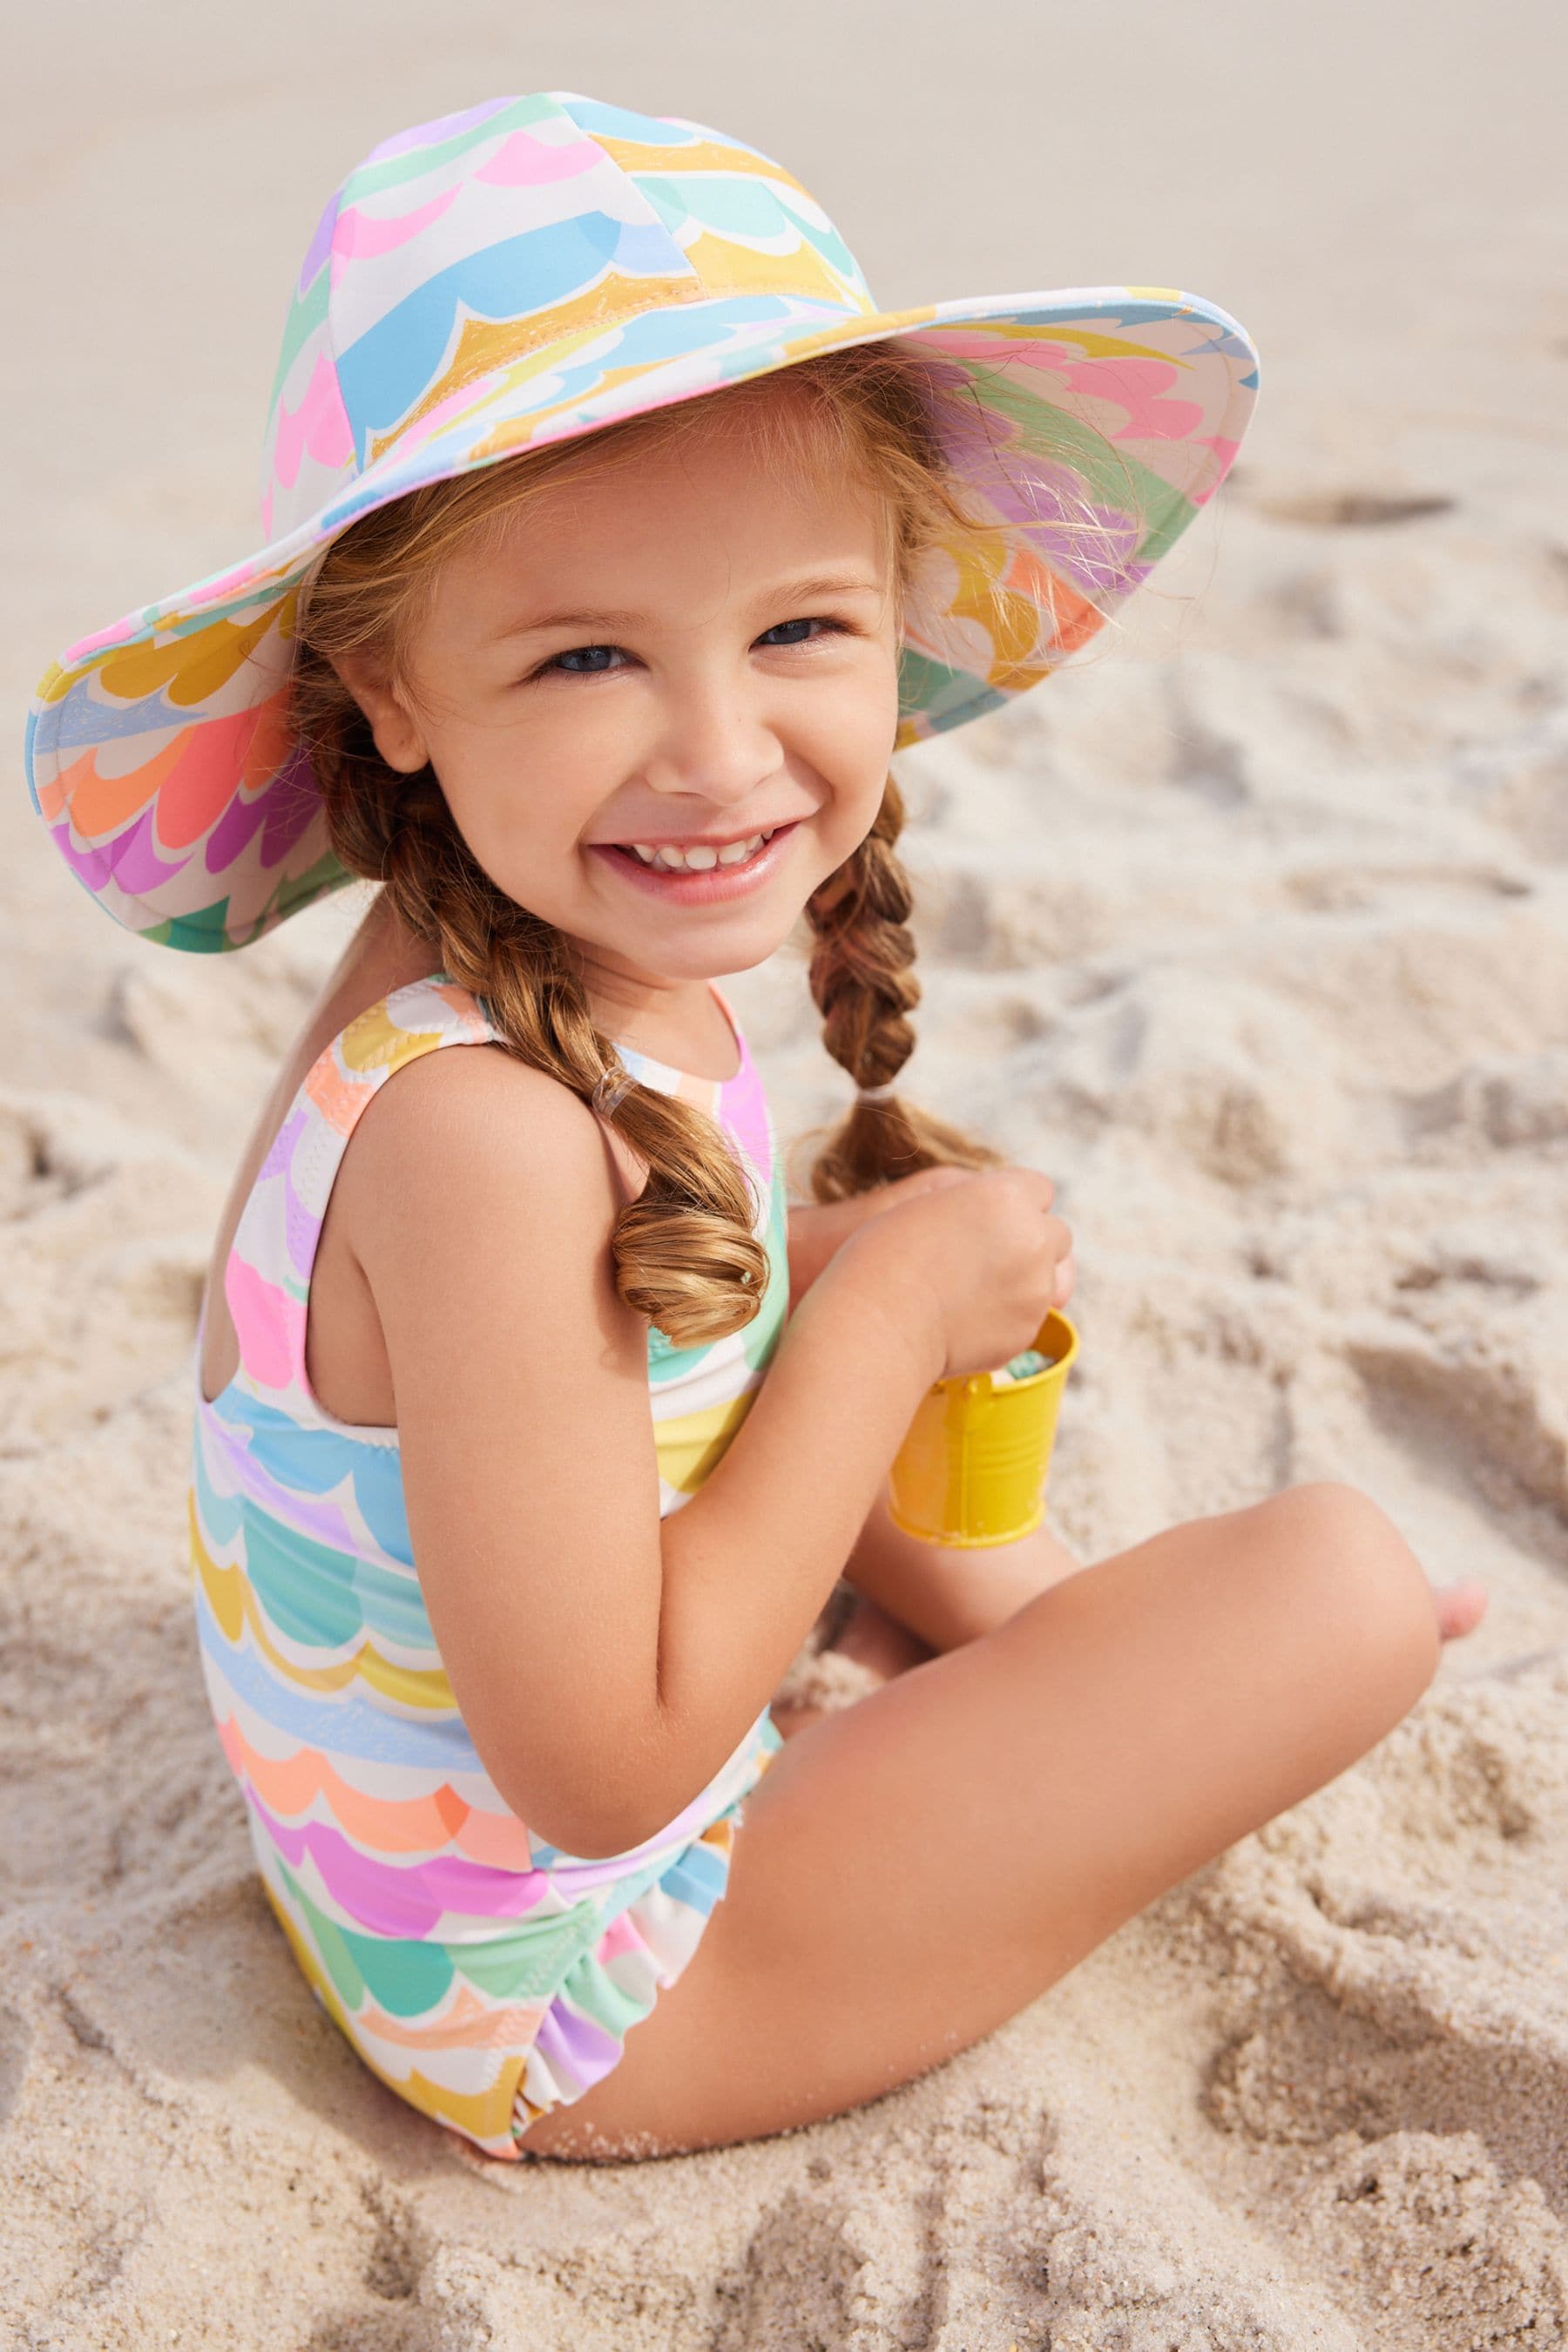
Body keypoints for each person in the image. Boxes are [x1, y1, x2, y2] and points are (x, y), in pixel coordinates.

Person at [26, 92, 1488, 2168]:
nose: (718, 756)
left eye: (799, 628)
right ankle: (1087, 1661)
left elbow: (633, 1415)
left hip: (541, 1840)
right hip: (593, 2000)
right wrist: (882, 1320)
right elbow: (606, 1768)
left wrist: (854, 1343)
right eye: (589, 654)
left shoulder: (498, 942)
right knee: (1335, 1587)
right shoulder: (489, 1141)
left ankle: (1048, 1650)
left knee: (914, 1431)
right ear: (395, 697)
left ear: (895, 596)